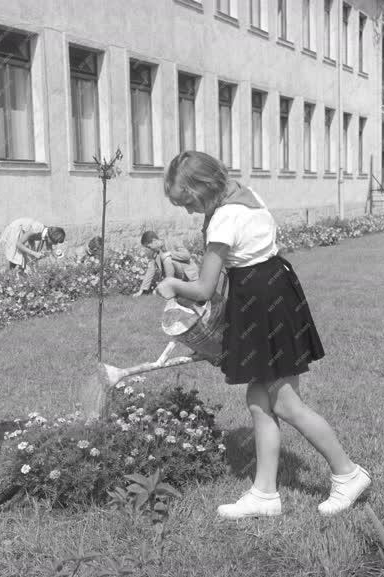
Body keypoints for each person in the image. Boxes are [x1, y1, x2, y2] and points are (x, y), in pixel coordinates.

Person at [156, 150, 371, 520]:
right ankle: (265, 493)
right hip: (273, 290)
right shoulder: (246, 195)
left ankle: (348, 473)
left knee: (285, 403)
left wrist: (172, 284)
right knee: (259, 399)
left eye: (187, 201)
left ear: (202, 187)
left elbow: (205, 288)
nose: (188, 210)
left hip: (262, 300)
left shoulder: (223, 217)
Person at [132, 231, 199, 297]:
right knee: (155, 293)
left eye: (149, 247)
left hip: (188, 274)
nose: (150, 249)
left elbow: (187, 255)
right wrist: (141, 290)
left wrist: (170, 254)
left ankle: (169, 288)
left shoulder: (172, 241)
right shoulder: (155, 254)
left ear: (154, 241)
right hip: (177, 278)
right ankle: (173, 287)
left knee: (166, 259)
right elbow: (150, 270)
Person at [0, 217, 66, 271]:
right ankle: (8, 275)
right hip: (16, 230)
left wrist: (54, 253)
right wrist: (34, 253)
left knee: (27, 259)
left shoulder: (48, 233)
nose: (55, 244)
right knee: (18, 257)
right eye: (55, 242)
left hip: (25, 234)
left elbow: (49, 247)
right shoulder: (36, 229)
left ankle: (20, 275)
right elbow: (18, 244)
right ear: (50, 237)